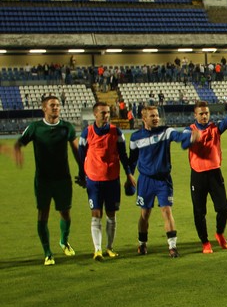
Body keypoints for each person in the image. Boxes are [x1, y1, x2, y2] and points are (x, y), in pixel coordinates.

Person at [13, 95, 79, 265]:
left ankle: (64, 242)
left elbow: (76, 150)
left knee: (65, 212)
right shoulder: (35, 127)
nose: (56, 108)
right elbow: (20, 142)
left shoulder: (67, 127)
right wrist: (18, 151)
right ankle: (47, 252)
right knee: (43, 214)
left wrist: (83, 170)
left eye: (57, 105)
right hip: (43, 180)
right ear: (44, 108)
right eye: (52, 105)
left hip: (63, 179)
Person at [128, 103, 197, 257]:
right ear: (144, 118)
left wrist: (190, 136)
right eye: (152, 116)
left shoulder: (166, 131)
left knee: (166, 210)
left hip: (163, 180)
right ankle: (142, 244)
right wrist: (129, 175)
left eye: (157, 115)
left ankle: (172, 247)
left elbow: (178, 136)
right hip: (145, 180)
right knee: (145, 213)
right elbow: (132, 159)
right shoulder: (135, 137)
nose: (156, 118)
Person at [77, 101, 136, 261]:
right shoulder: (87, 133)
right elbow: (81, 156)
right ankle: (97, 250)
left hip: (112, 179)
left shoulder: (116, 132)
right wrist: (81, 175)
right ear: (95, 114)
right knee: (96, 214)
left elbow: (123, 155)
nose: (107, 115)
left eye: (108, 112)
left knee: (111, 214)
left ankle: (109, 247)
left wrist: (129, 174)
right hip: (94, 180)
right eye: (103, 113)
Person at [182, 94, 227, 254]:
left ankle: (219, 233)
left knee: (223, 208)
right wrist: (192, 139)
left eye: (206, 113)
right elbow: (184, 144)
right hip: (198, 175)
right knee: (199, 211)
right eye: (201, 113)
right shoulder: (189, 130)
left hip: (215, 173)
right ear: (195, 115)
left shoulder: (215, 128)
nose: (204, 116)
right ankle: (205, 242)